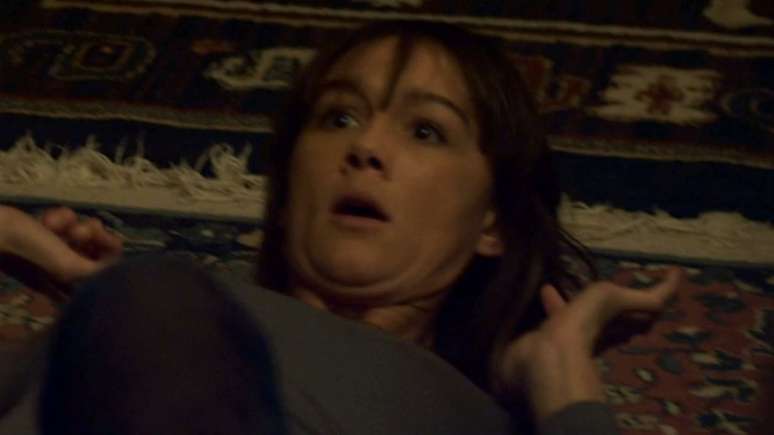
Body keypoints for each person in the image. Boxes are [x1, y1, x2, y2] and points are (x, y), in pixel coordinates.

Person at [0, 20, 681, 434]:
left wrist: (562, 381)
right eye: (339, 117)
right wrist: (93, 320)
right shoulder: (165, 304)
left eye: (425, 130)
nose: (366, 147)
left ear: (493, 222)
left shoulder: (488, 413)